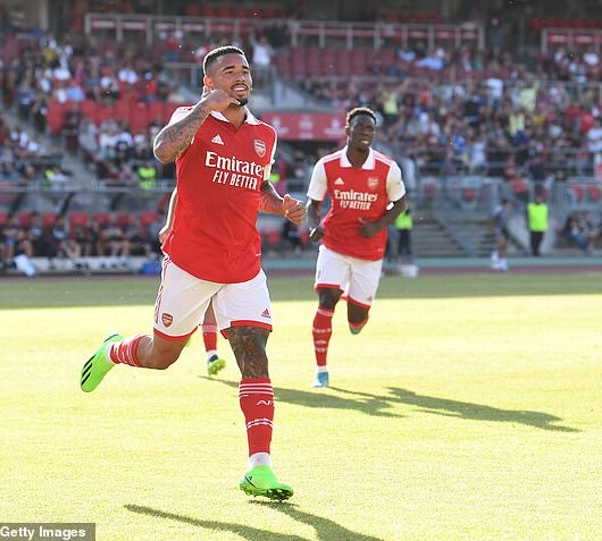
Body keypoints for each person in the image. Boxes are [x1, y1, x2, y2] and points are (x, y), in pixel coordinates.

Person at [79, 45, 304, 501]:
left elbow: (257, 186)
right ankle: (113, 351)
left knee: (254, 353)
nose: (240, 76)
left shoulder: (265, 134)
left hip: (243, 264)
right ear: (208, 82)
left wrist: (281, 205)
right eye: (229, 71)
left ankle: (259, 467)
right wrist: (205, 108)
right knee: (162, 356)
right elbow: (163, 151)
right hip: (190, 262)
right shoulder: (190, 117)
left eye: (245, 70)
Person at [306, 107, 407, 388]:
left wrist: (378, 226)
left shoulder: (387, 168)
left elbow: (400, 203)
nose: (365, 132)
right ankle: (321, 372)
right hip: (334, 244)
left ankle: (356, 307)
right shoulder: (327, 165)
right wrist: (314, 225)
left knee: (356, 319)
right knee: (326, 301)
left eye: (370, 129)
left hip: (369, 251)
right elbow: (313, 204)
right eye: (360, 127)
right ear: (347, 131)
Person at [159, 188, 226, 377]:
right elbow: (180, 188)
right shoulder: (200, 174)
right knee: (185, 303)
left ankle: (211, 354)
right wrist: (169, 225)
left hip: (217, 245)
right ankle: (184, 330)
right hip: (188, 246)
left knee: (211, 300)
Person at [491, 198, 511, 271]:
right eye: (508, 203)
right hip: (498, 229)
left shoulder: (507, 210)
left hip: (504, 229)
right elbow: (493, 217)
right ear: (505, 204)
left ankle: (503, 263)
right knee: (501, 244)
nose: (509, 205)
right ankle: (494, 258)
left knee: (505, 246)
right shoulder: (499, 209)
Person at [527, 192, 549, 256]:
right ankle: (534, 251)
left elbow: (546, 216)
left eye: (540, 198)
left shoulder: (544, 207)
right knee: (533, 240)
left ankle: (537, 251)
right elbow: (527, 215)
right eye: (537, 198)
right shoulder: (530, 206)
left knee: (540, 240)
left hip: (541, 226)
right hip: (533, 226)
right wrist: (527, 223)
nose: (538, 200)